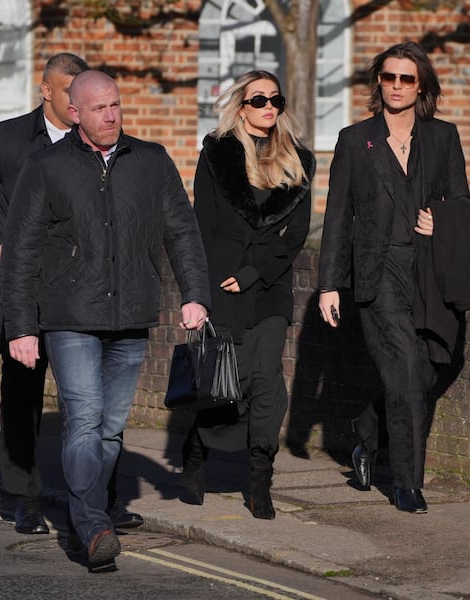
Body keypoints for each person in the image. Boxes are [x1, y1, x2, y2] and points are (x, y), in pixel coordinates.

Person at [0, 53, 153, 535]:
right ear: (49, 92)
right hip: (27, 287)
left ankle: (106, 500)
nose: (83, 107)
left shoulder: (103, 146)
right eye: (69, 92)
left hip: (91, 293)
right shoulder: (8, 139)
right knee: (22, 397)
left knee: (98, 408)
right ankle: (24, 498)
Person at [1, 70, 210, 569]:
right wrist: (22, 327)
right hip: (69, 316)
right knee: (85, 418)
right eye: (100, 108)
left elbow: (182, 232)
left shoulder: (152, 161)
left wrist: (195, 295)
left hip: (131, 316)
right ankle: (93, 526)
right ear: (75, 113)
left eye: (116, 105)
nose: (112, 115)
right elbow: (22, 253)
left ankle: (86, 514)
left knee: (112, 428)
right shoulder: (46, 167)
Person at [318, 42, 470, 514]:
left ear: (421, 86)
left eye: (406, 79)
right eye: (388, 77)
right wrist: (330, 284)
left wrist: (445, 219)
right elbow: (337, 217)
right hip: (378, 272)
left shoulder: (443, 137)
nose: (395, 86)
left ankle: (367, 430)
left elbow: (464, 202)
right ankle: (408, 482)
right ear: (378, 82)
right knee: (408, 372)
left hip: (429, 270)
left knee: (432, 364)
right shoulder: (355, 140)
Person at [181, 70, 315, 520]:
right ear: (241, 106)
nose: (269, 108)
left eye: (275, 99)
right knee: (225, 386)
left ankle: (260, 480)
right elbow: (200, 225)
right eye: (259, 100)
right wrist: (198, 291)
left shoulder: (298, 160)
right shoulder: (216, 155)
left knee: (267, 385)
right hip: (222, 287)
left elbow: (294, 234)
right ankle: (197, 453)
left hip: (269, 288)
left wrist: (255, 271)